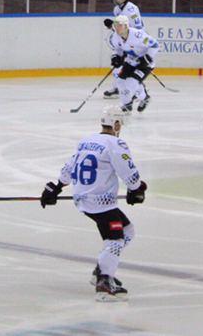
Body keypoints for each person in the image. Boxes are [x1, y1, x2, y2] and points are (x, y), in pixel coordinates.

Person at [40, 106, 147, 302]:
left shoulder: (87, 141)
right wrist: (137, 189)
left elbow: (70, 166)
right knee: (115, 240)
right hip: (101, 203)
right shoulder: (116, 143)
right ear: (116, 124)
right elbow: (128, 172)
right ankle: (104, 283)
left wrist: (56, 187)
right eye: (120, 123)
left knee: (128, 230)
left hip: (82, 198)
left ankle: (101, 269)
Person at [106, 15, 158, 113]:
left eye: (119, 25)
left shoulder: (138, 35)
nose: (117, 28)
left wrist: (147, 58)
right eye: (115, 25)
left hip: (144, 64)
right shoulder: (115, 37)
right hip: (131, 61)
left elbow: (155, 45)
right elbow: (117, 49)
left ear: (126, 26)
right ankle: (127, 105)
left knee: (131, 83)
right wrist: (116, 57)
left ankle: (144, 97)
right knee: (120, 82)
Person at [103, 0, 143, 99]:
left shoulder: (132, 10)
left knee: (130, 67)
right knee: (117, 63)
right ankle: (117, 88)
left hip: (133, 41)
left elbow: (138, 28)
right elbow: (119, 27)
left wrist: (131, 44)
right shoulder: (117, 9)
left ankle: (136, 91)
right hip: (122, 39)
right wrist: (111, 25)